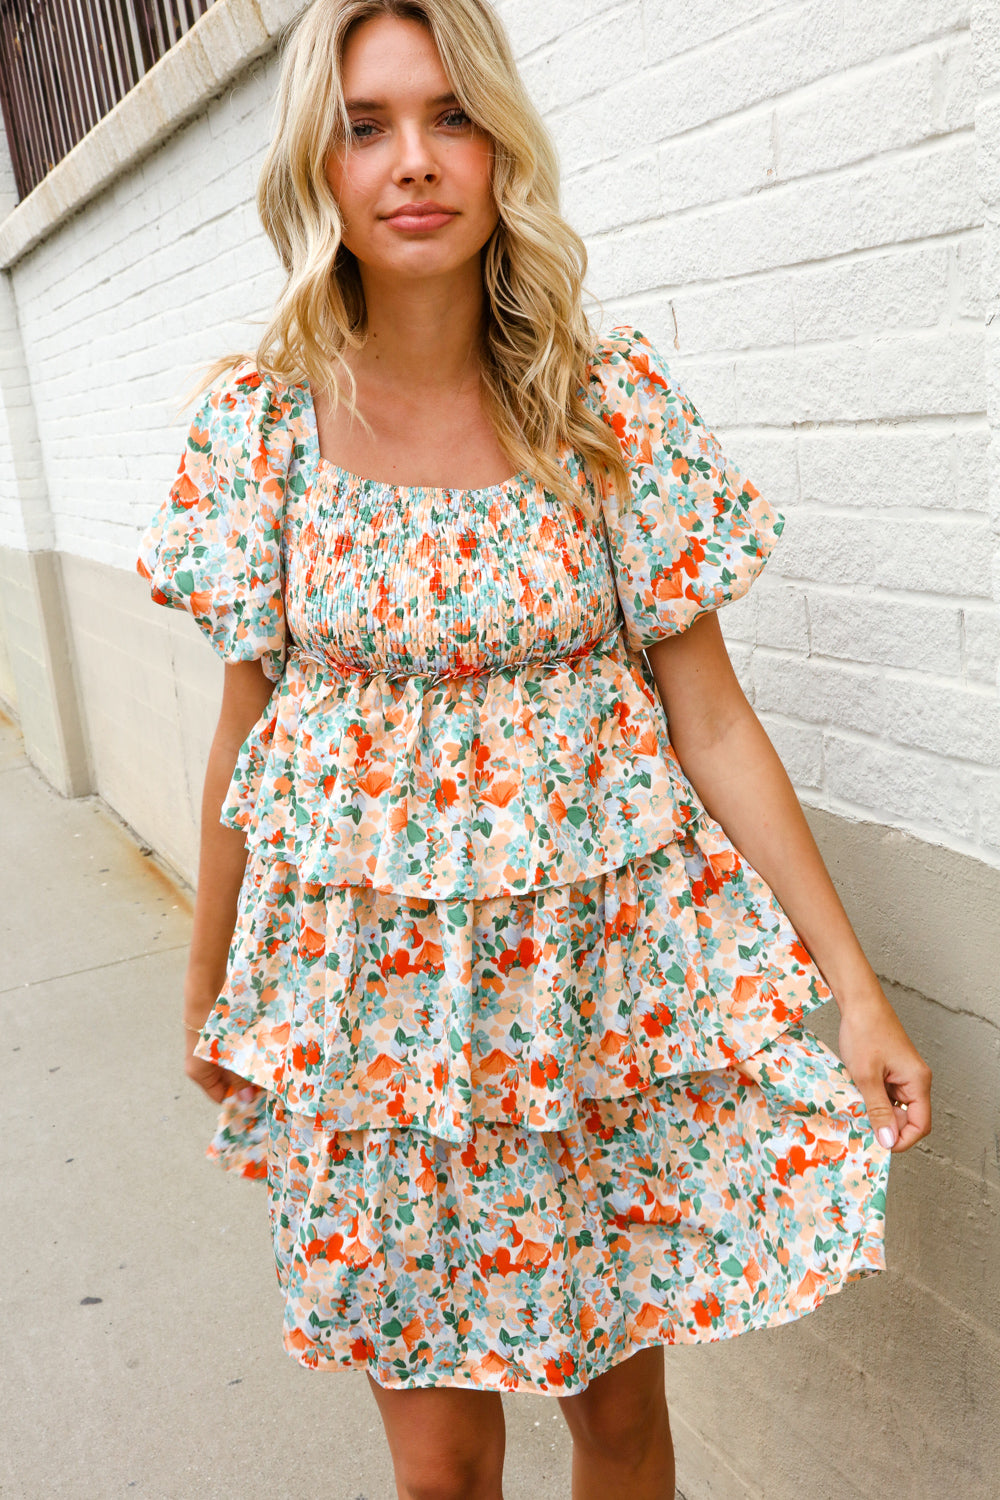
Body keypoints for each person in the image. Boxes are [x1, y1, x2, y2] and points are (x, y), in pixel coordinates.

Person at [136, 2, 933, 1496]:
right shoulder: (259, 432)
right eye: (366, 126)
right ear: (316, 166)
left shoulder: (603, 405)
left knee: (618, 1425)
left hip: (593, 1011)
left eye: (451, 116)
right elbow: (252, 736)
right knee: (440, 1468)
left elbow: (712, 718)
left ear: (503, 146)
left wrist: (857, 991)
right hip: (371, 1031)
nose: (414, 161)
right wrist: (210, 984)